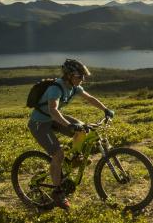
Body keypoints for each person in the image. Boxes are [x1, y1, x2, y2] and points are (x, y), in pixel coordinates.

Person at [27, 59, 114, 209]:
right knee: (58, 155)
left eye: (83, 76)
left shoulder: (74, 87)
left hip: (53, 119)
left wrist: (105, 109)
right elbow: (53, 110)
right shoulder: (56, 88)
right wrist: (68, 125)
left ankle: (73, 158)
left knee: (83, 129)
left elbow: (90, 98)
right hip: (39, 123)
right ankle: (58, 192)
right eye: (79, 76)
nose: (82, 79)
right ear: (68, 76)